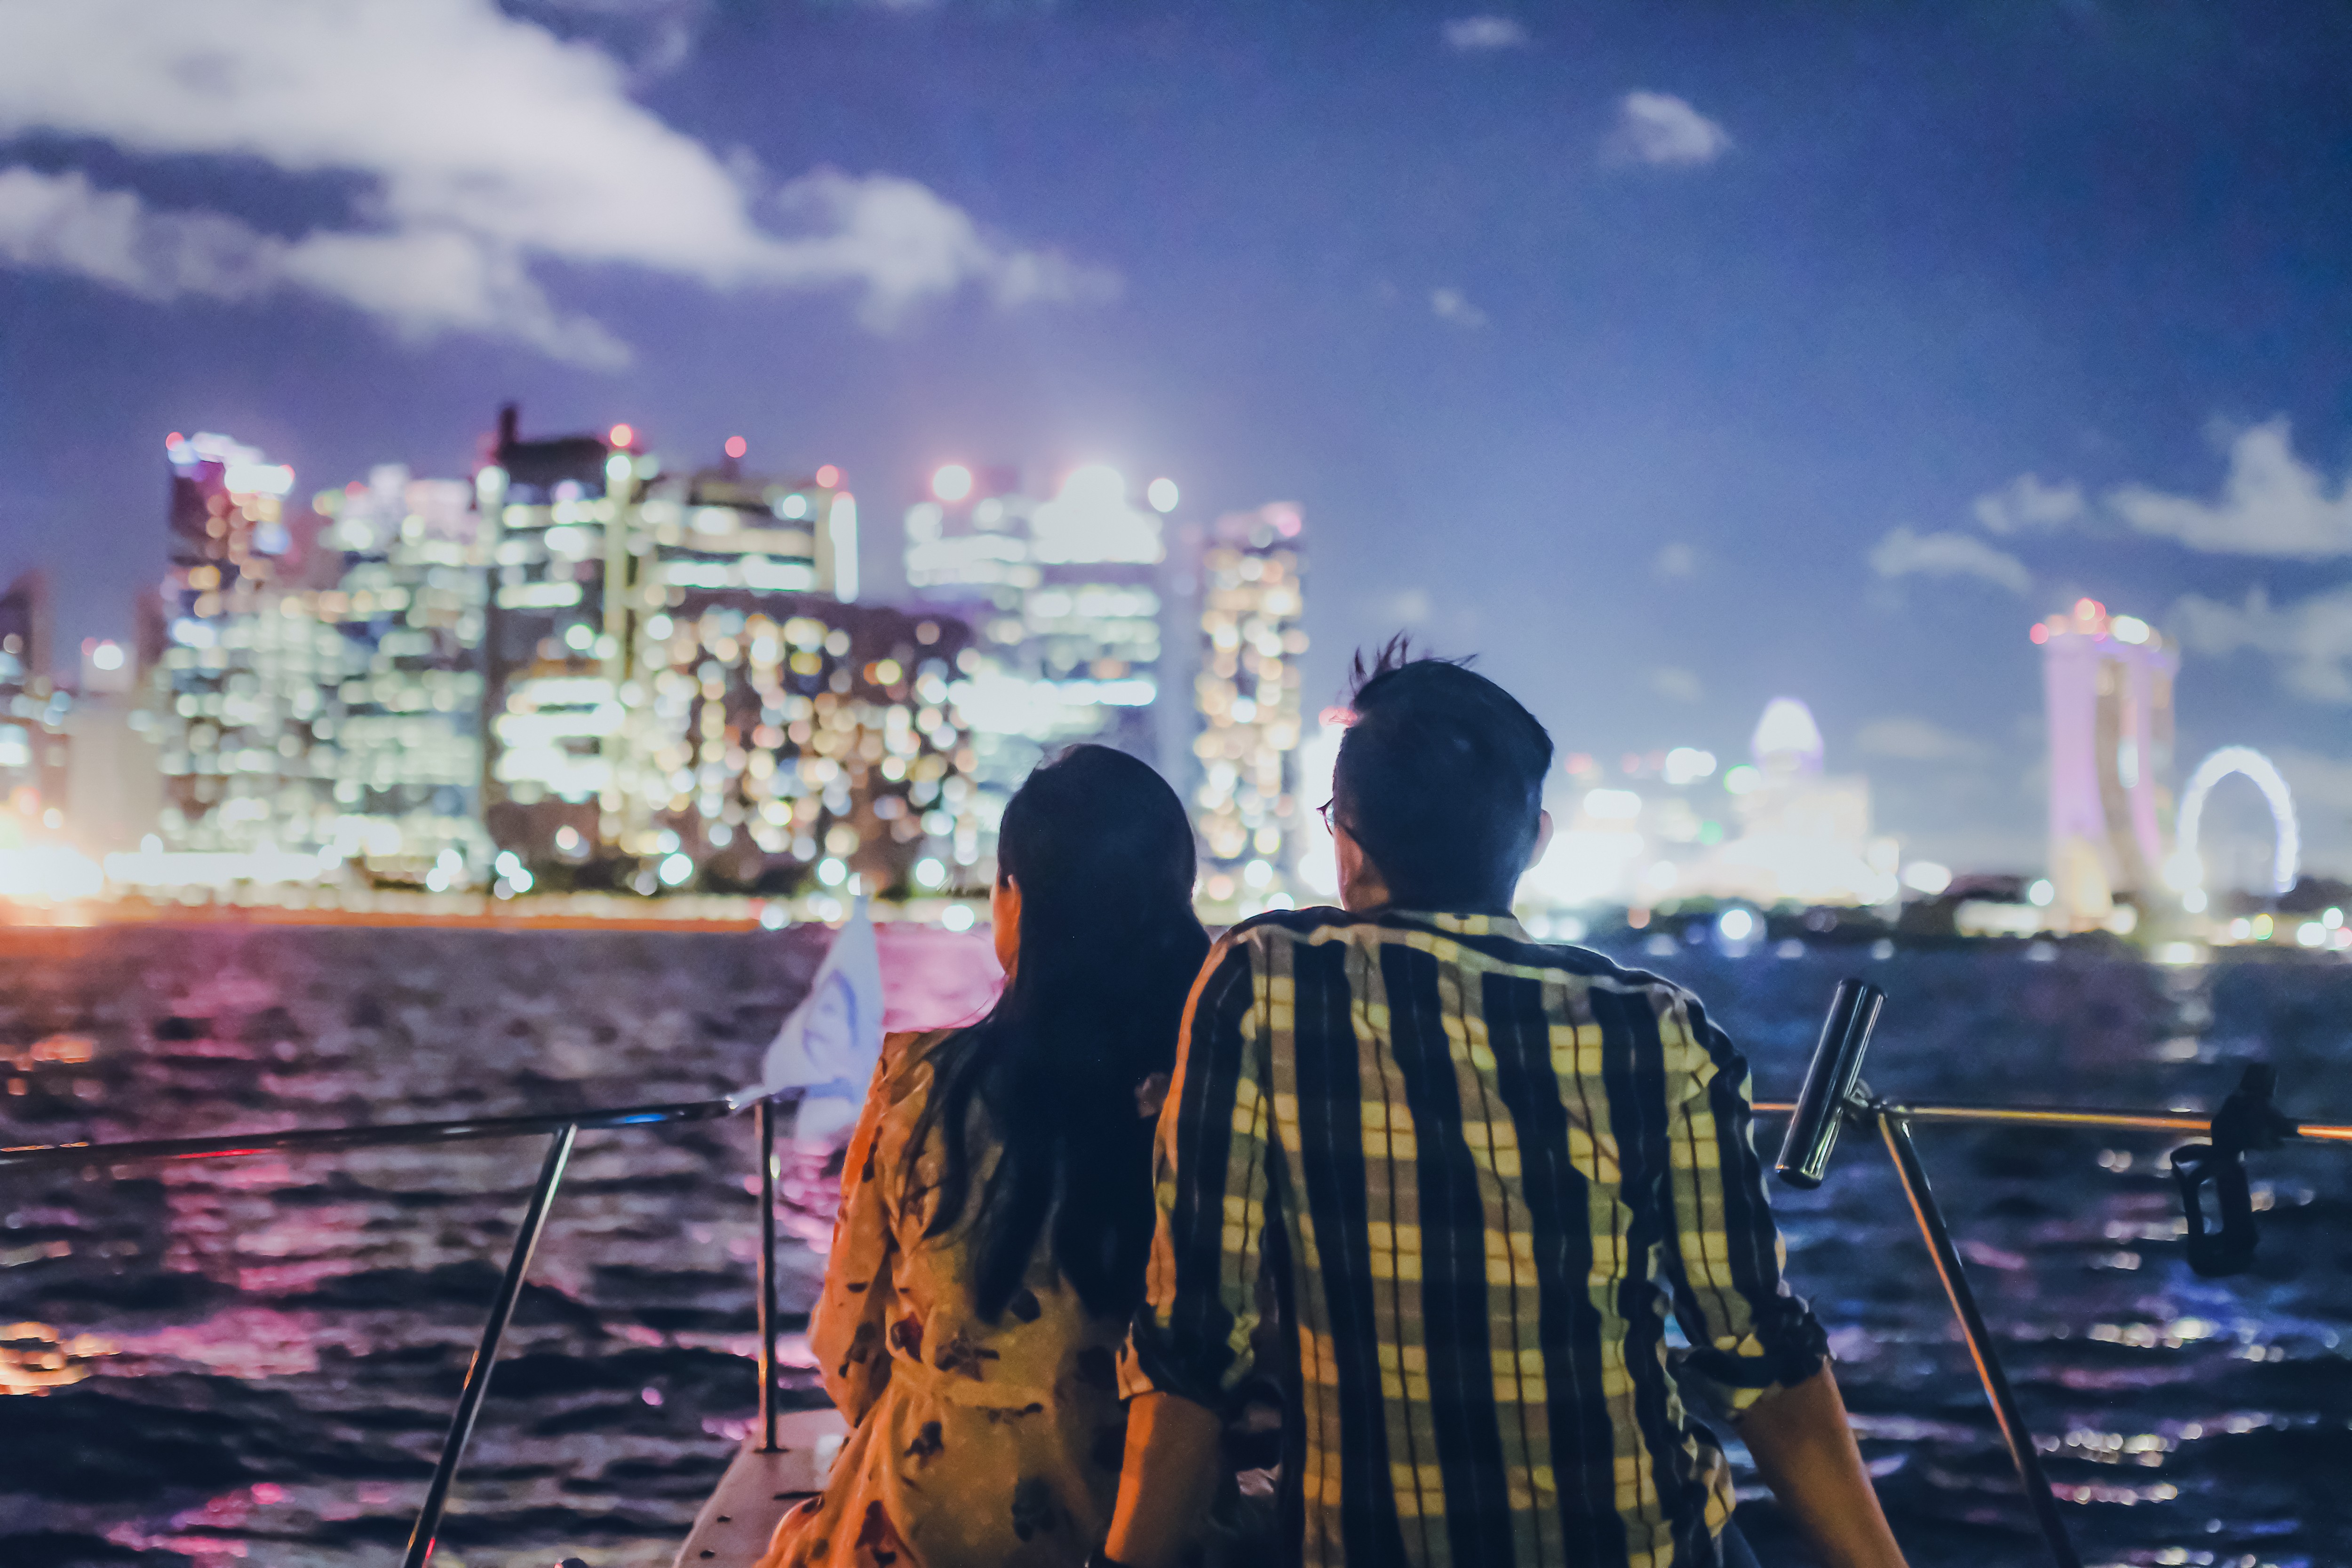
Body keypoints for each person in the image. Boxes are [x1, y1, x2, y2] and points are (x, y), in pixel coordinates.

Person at [1101, 645, 1909, 1568]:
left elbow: (1195, 1336)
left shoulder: (1264, 981)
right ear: (1532, 839)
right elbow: (1759, 1351)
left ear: (1348, 839)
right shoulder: (1656, 1028)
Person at [759, 744, 1210, 1568]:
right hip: (1160, 1532)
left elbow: (847, 1354)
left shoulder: (924, 1086)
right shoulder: (1219, 1101)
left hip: (925, 1528)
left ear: (1017, 901)